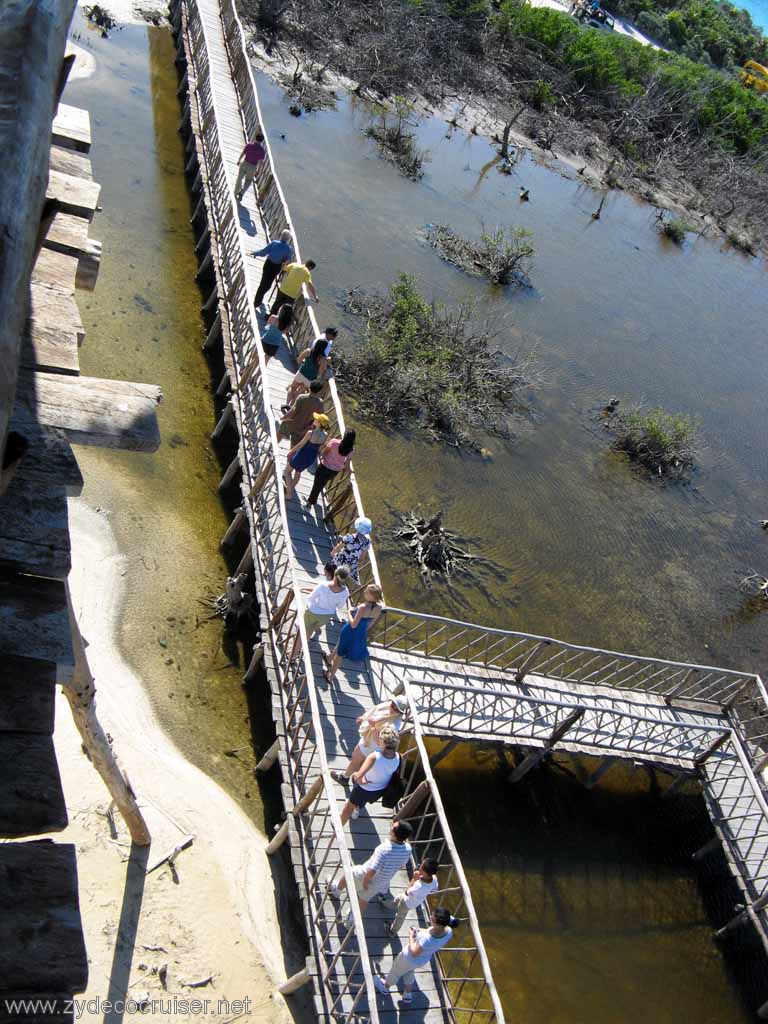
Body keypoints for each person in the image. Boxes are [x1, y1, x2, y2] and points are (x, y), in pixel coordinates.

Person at [327, 820, 412, 923]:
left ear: (394, 833)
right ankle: (352, 918)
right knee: (364, 899)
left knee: (348, 873)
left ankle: (337, 890)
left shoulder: (384, 849)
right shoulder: (407, 849)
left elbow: (372, 870)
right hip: (381, 882)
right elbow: (402, 864)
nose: (390, 826)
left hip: (365, 875)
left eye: (393, 826)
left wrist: (365, 881)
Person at [374, 907, 459, 1005]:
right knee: (409, 972)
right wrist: (419, 930)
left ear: (438, 925)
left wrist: (410, 935)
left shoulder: (427, 939)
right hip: (420, 961)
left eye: (432, 919)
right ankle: (407, 995)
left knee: (395, 972)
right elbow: (430, 931)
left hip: (408, 958)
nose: (430, 918)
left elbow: (414, 952)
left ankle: (385, 987)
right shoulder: (448, 931)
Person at [330, 697, 405, 785]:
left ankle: (344, 777)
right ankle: (356, 777)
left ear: (400, 713)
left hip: (371, 744)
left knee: (356, 759)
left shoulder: (393, 726)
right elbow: (375, 709)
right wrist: (364, 717)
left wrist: (373, 727)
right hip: (368, 738)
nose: (392, 708)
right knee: (359, 759)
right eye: (393, 705)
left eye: (396, 709)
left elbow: (381, 743)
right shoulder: (387, 705)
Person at [340, 723, 400, 824]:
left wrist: (355, 775)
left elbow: (359, 777)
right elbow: (380, 744)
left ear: (383, 741)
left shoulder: (374, 757)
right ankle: (357, 809)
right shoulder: (398, 757)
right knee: (363, 800)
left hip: (363, 788)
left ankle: (339, 823)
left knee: (348, 807)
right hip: (379, 791)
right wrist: (373, 729)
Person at [323, 584, 383, 684]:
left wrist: (349, 613)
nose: (364, 592)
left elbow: (354, 624)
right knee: (341, 643)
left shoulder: (363, 607)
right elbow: (371, 623)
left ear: (372, 596)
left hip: (350, 629)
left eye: (367, 592)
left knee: (340, 654)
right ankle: (329, 658)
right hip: (361, 631)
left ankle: (331, 675)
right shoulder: (379, 608)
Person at [290, 566, 350, 660]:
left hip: (312, 612)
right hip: (326, 616)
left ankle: (293, 655)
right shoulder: (345, 592)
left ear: (334, 574)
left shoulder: (323, 585)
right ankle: (301, 647)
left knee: (302, 632)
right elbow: (339, 606)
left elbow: (311, 597)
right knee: (311, 629)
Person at [388, 857, 439, 937]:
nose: (419, 866)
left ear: (424, 872)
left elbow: (407, 892)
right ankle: (389, 904)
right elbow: (434, 890)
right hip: (415, 901)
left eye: (421, 866)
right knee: (397, 899)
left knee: (400, 917)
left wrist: (414, 879)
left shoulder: (419, 886)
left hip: (407, 902)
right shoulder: (434, 879)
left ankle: (392, 931)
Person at [283, 412, 329, 500]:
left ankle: (289, 495)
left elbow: (300, 444)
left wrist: (291, 452)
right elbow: (320, 448)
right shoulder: (325, 435)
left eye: (316, 419)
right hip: (311, 457)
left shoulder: (310, 433)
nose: (314, 420)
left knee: (288, 472)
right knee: (298, 472)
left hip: (302, 454)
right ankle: (290, 490)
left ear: (319, 423)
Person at [306, 429, 355, 509]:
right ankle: (313, 499)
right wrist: (350, 471)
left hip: (324, 466)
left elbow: (325, 451)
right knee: (322, 484)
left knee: (316, 485)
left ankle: (310, 502)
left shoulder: (335, 442)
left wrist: (321, 456)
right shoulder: (351, 449)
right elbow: (347, 463)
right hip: (334, 471)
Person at [251, 229, 293, 307]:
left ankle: (258, 300)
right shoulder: (288, 249)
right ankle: (257, 302)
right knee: (267, 285)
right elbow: (288, 261)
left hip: (268, 264)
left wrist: (255, 253)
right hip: (276, 267)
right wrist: (283, 262)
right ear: (288, 239)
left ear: (281, 236)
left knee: (264, 283)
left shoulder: (274, 243)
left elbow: (263, 252)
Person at [278, 380, 324, 447]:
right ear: (319, 391)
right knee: (294, 447)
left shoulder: (302, 397)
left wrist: (283, 418)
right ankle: (291, 456)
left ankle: (271, 448)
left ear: (309, 388)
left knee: (280, 433)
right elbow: (319, 418)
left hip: (292, 422)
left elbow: (293, 411)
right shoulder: (320, 403)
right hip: (304, 428)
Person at [285, 338, 328, 407]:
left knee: (292, 388)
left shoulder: (308, 351)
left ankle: (287, 404)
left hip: (301, 373)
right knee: (300, 393)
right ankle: (291, 406)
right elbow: (320, 372)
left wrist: (304, 363)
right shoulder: (322, 359)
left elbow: (299, 360)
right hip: (310, 379)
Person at [330, 516, 373, 584]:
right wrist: (358, 565)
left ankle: (333, 581)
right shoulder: (367, 543)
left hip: (341, 559)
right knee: (343, 576)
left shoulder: (350, 537)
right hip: (351, 564)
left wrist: (333, 552)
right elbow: (362, 557)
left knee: (333, 570)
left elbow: (339, 547)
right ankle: (340, 583)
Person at [234, 133, 266, 201]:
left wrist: (239, 160)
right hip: (252, 167)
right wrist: (258, 171)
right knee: (248, 181)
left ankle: (235, 192)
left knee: (239, 178)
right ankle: (241, 193)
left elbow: (243, 153)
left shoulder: (249, 145)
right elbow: (260, 162)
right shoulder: (262, 151)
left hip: (245, 163)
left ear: (255, 138)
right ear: (262, 141)